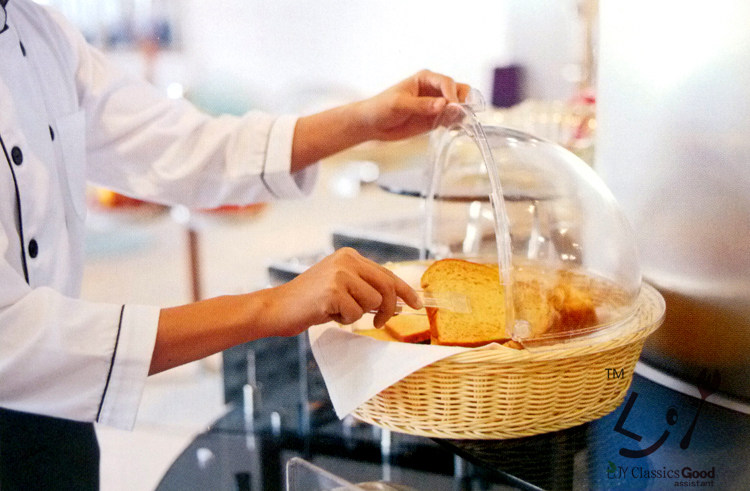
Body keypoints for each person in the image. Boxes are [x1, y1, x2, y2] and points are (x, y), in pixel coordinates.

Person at [0, 0, 470, 488]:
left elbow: (178, 144)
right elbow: (11, 338)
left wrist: (364, 120)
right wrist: (269, 307)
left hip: (65, 417)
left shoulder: (40, 29)